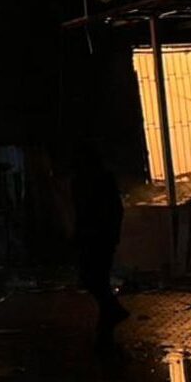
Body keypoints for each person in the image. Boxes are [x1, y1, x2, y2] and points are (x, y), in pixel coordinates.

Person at [70, 142, 129, 346]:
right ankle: (110, 313)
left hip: (96, 236)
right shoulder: (95, 180)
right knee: (95, 277)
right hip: (97, 236)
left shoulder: (90, 181)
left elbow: (107, 210)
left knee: (94, 277)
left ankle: (110, 313)